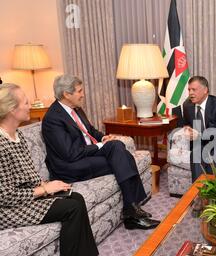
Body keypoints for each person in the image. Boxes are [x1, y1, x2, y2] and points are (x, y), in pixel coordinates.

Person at [0, 83, 114, 256]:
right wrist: (44, 190)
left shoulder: (18, 136)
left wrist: (47, 184)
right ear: (11, 110)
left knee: (76, 197)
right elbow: (5, 196)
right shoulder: (1, 143)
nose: (29, 106)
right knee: (71, 208)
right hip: (9, 209)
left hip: (28, 195)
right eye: (25, 102)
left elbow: (27, 177)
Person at [41, 75, 160, 230]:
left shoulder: (75, 109)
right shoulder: (52, 119)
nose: (83, 94)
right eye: (79, 91)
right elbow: (70, 153)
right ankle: (132, 212)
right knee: (122, 156)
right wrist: (99, 146)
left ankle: (131, 211)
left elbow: (89, 130)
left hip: (86, 155)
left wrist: (102, 137)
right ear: (66, 94)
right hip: (69, 166)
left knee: (117, 147)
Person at [177, 76, 216, 182]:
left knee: (212, 156)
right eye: (189, 90)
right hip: (201, 143)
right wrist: (187, 129)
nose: (190, 93)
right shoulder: (187, 105)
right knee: (195, 154)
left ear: (205, 90)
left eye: (194, 89)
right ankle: (198, 192)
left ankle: (214, 193)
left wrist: (199, 135)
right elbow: (186, 123)